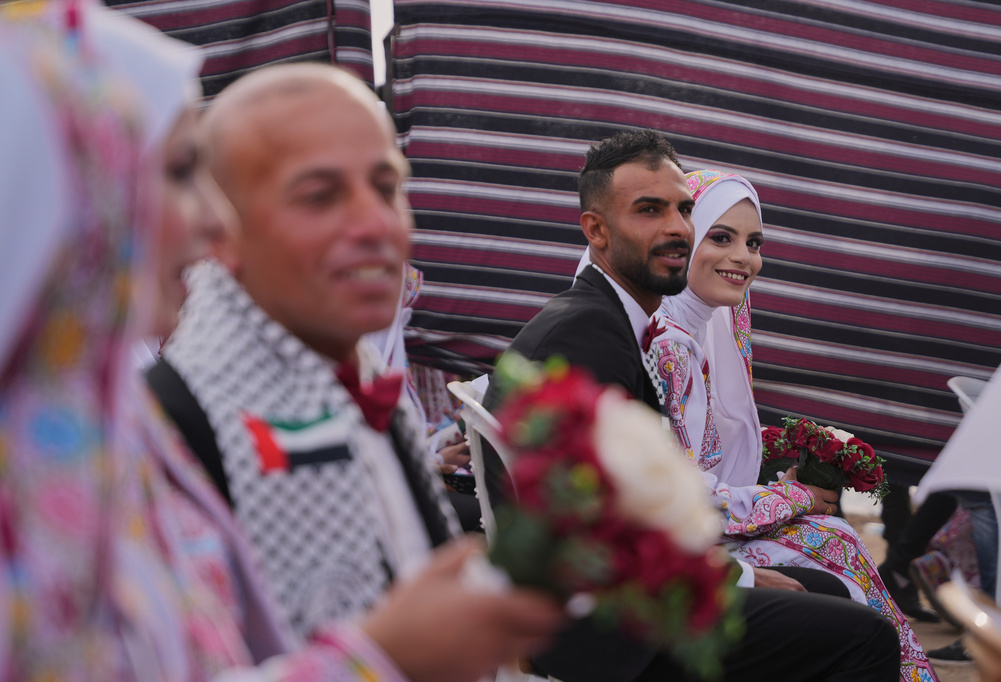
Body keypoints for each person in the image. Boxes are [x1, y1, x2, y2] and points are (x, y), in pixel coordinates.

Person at [0, 6, 561, 680]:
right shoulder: (179, 419)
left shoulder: (111, 440)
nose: (377, 225)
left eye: (388, 187)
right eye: (321, 196)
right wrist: (379, 661)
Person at [485, 128, 900, 682]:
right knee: (863, 633)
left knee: (832, 586)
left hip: (622, 599)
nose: (677, 228)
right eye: (650, 210)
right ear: (597, 231)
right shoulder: (590, 334)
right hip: (610, 631)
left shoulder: (611, 321)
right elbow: (589, 527)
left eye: (684, 210)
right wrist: (734, 577)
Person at [647, 169, 936, 682]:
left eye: (753, 242)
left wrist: (793, 472)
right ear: (681, 239)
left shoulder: (705, 324)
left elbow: (713, 442)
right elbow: (686, 502)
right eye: (721, 237)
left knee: (837, 538)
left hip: (701, 543)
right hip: (675, 566)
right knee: (837, 553)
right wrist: (797, 497)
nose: (744, 257)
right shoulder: (667, 343)